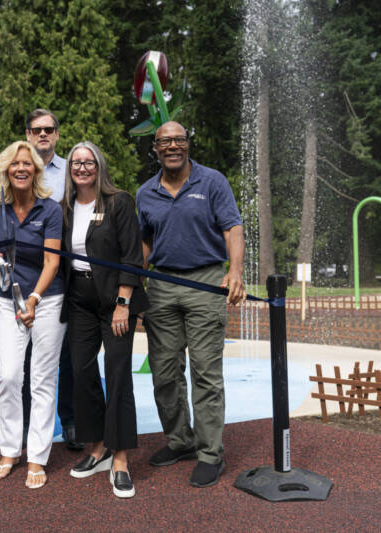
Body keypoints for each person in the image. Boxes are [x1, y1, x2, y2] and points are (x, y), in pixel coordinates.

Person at [136, 120, 246, 488]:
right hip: (163, 285)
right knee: (165, 373)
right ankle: (180, 440)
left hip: (205, 281)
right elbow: (145, 243)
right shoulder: (145, 192)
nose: (172, 146)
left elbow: (232, 227)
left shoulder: (212, 181)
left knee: (204, 372)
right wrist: (135, 285)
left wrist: (235, 272)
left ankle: (211, 452)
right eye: (164, 141)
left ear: (187, 144)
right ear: (155, 148)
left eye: (178, 140)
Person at [0, 108, 82, 451]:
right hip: (14, 288)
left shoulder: (72, 171)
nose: (43, 134)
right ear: (27, 134)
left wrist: (38, 296)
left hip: (59, 278)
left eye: (49, 129)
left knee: (57, 364)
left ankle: (67, 424)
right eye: (36, 129)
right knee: (12, 373)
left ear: (56, 133)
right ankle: (15, 442)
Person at [61, 141, 147, 499]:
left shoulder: (118, 202)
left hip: (115, 300)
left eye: (89, 161)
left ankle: (121, 458)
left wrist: (124, 303)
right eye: (76, 162)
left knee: (117, 373)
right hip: (79, 299)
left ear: (99, 165)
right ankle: (97, 447)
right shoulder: (64, 208)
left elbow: (132, 255)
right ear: (69, 169)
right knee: (81, 373)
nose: (82, 167)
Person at [0, 141, 65, 489]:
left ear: (36, 170)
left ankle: (37, 457)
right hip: (6, 300)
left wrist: (33, 299)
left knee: (42, 379)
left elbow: (53, 261)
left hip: (46, 299)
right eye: (15, 164)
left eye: (27, 164)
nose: (21, 169)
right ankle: (9, 450)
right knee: (9, 376)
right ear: (6, 169)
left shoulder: (51, 209)